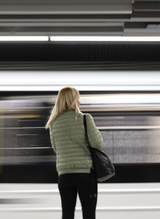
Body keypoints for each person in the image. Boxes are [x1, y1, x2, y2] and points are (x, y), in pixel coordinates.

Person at [45, 86, 104, 219]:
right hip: (85, 175)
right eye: (78, 99)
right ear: (73, 100)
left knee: (67, 214)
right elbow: (98, 143)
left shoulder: (53, 123)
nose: (80, 102)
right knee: (88, 214)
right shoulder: (85, 118)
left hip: (65, 176)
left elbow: (56, 148)